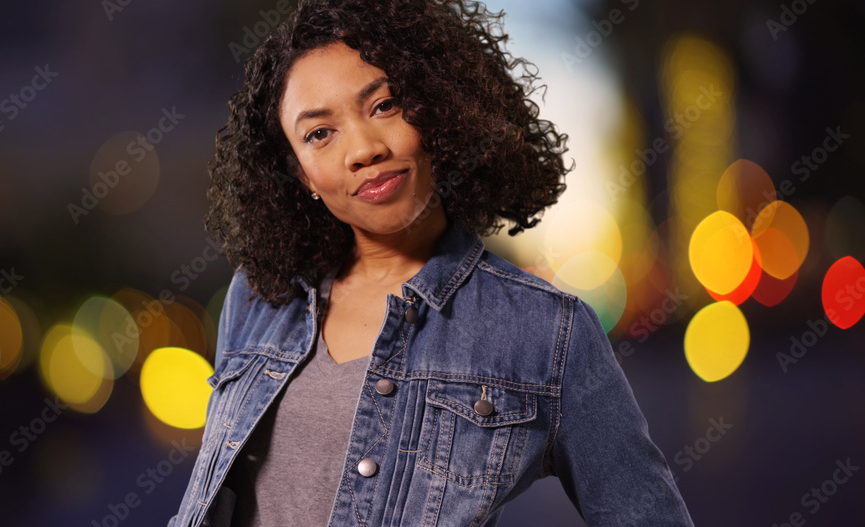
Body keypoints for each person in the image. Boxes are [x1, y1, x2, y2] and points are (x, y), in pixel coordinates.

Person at [170, 0, 694, 525]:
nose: (363, 149)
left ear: (440, 110)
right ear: (303, 175)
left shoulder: (548, 333)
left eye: (384, 105)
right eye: (319, 134)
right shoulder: (259, 296)